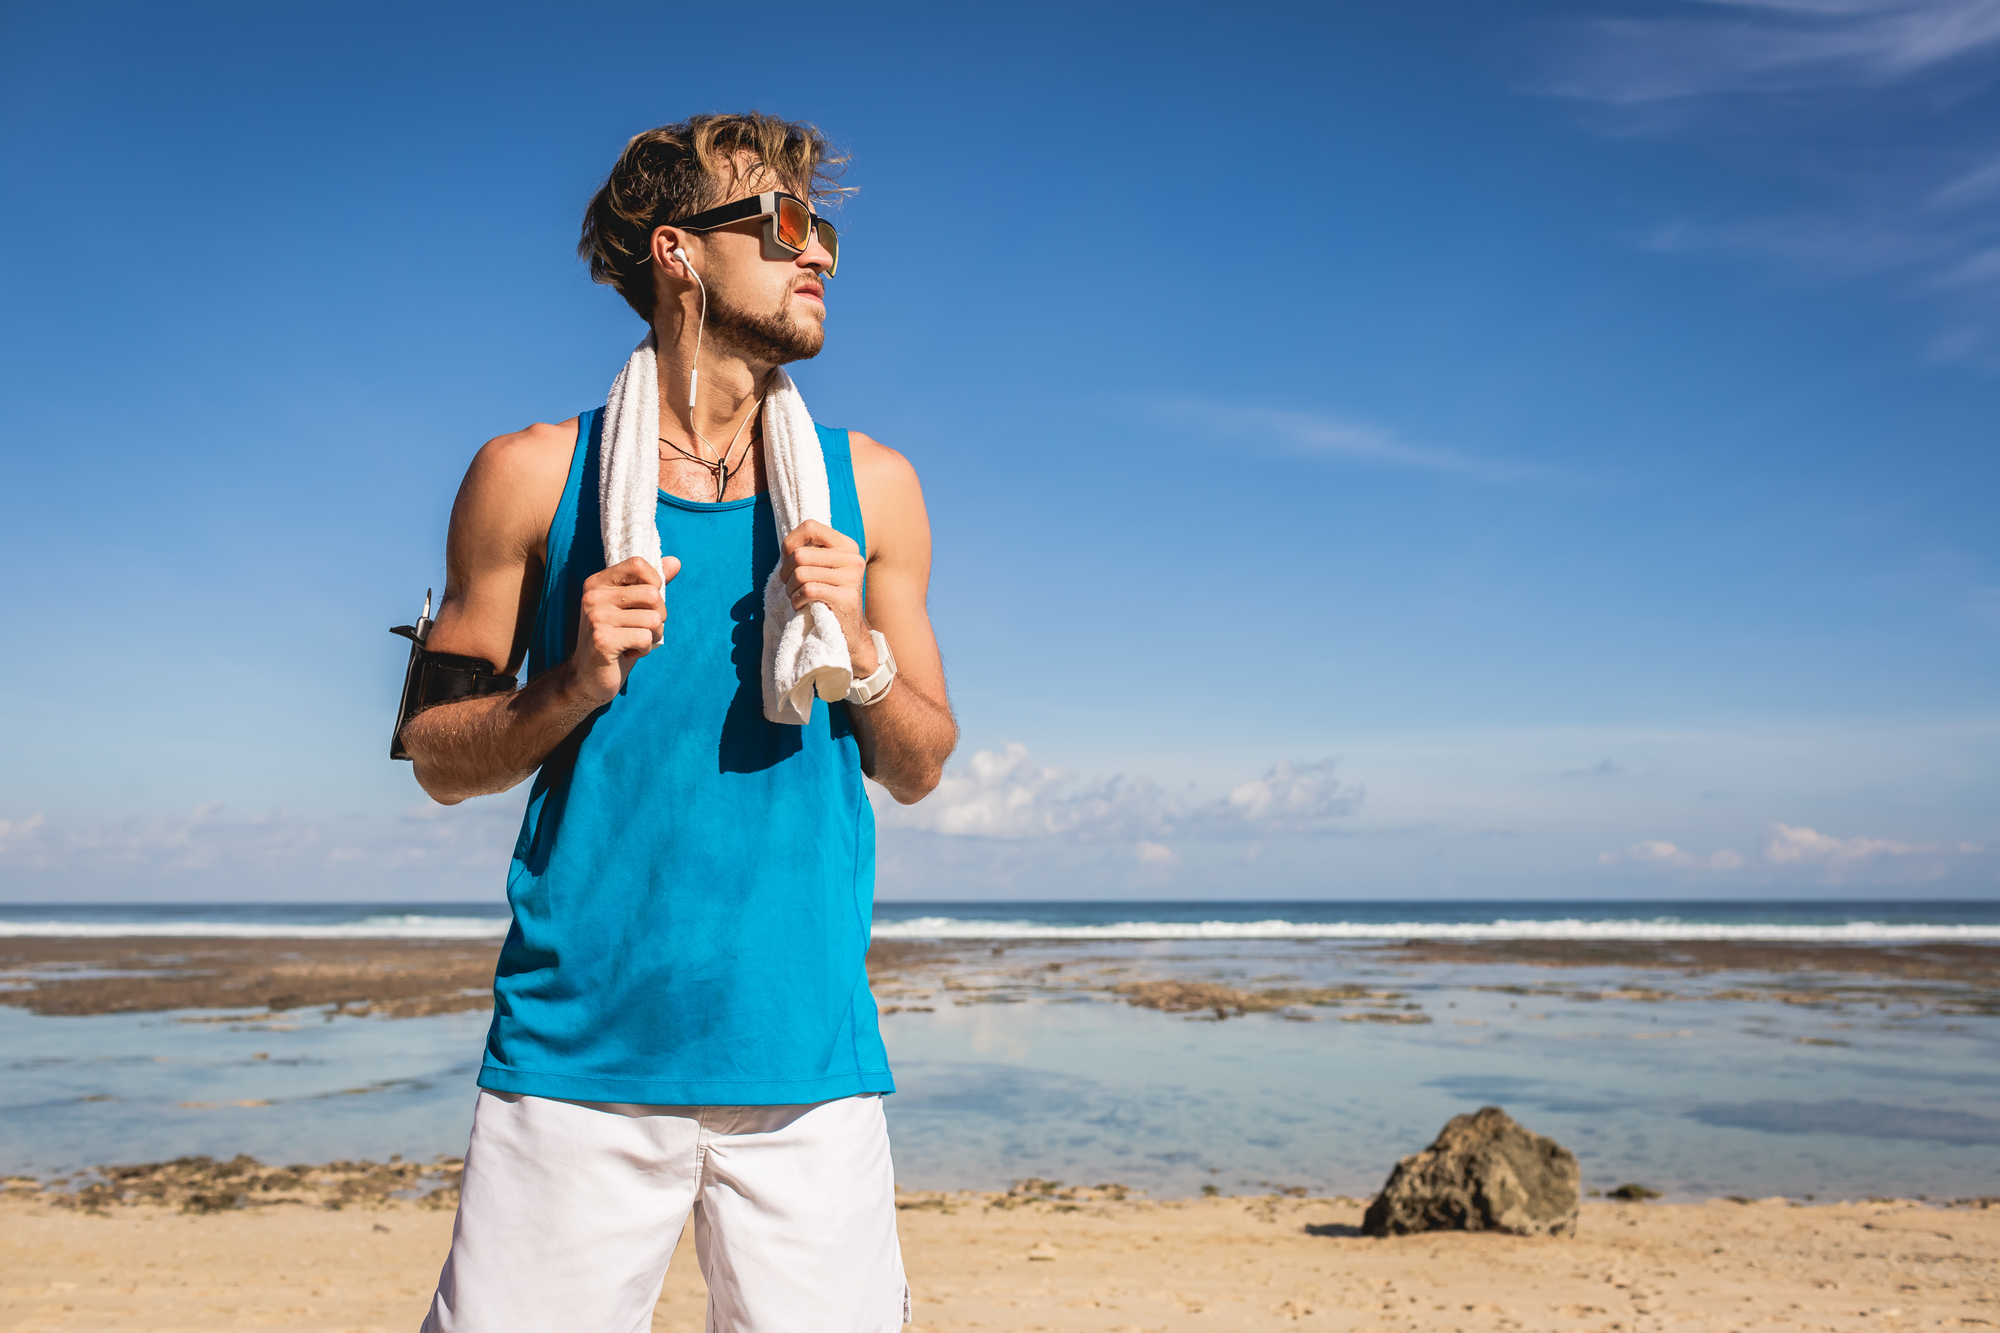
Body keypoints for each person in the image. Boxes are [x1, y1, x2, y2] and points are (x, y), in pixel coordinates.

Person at [400, 113, 957, 1332]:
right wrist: (567, 683)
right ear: (678, 252)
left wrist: (857, 648)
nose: (821, 255)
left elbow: (918, 761)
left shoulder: (876, 489)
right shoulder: (530, 475)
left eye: (826, 231)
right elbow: (435, 756)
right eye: (786, 224)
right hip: (576, 1062)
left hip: (805, 1061)